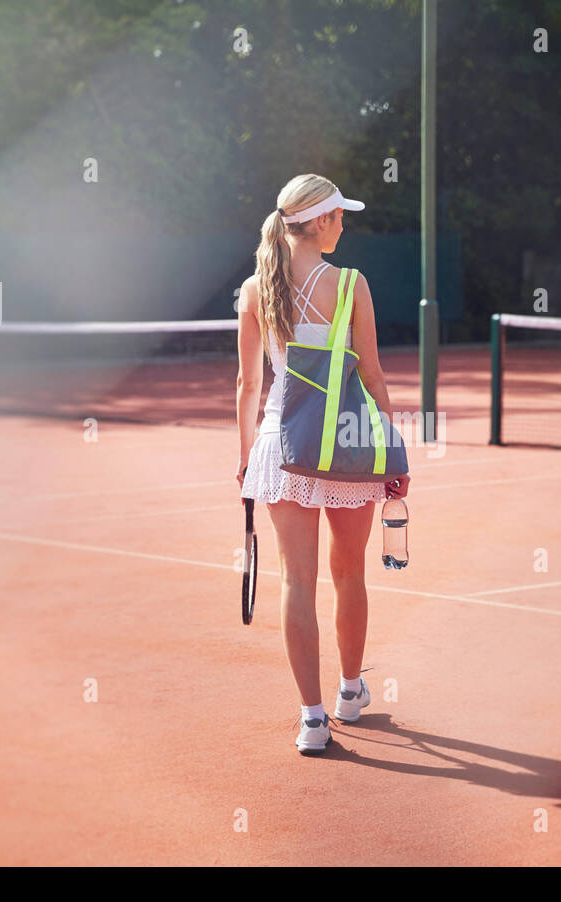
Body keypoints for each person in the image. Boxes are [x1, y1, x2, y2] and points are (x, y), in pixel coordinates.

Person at [235, 174, 409, 755]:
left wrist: (244, 463)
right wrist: (390, 448)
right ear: (315, 222)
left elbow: (248, 383)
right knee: (349, 575)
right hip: (347, 444)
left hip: (280, 447)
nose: (342, 224)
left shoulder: (255, 290)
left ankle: (312, 720)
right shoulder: (351, 285)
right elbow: (372, 375)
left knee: (298, 583)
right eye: (336, 216)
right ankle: (349, 692)